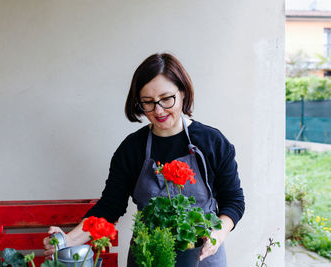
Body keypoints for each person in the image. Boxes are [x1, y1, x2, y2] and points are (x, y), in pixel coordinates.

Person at [43, 53, 245, 266]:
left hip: (202, 259)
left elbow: (233, 202)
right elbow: (109, 207)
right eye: (148, 102)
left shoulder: (212, 143)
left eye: (167, 99)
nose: (158, 110)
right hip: (147, 259)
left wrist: (218, 234)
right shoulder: (132, 149)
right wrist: (68, 239)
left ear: (183, 92)